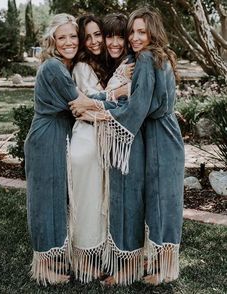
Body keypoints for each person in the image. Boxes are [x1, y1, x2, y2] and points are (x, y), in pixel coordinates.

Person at [71, 6, 184, 286]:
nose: (133, 37)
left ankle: (165, 268)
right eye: (131, 31)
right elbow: (138, 99)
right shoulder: (150, 57)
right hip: (156, 134)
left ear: (153, 32)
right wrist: (106, 100)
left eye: (140, 31)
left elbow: (136, 109)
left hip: (160, 137)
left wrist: (97, 111)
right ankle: (144, 264)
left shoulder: (146, 58)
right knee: (154, 203)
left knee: (161, 203)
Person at [24, 13, 111, 286]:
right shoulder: (53, 68)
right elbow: (79, 103)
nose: (69, 42)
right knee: (46, 202)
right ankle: (44, 268)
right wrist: (117, 100)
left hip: (60, 135)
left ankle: (66, 256)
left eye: (73, 36)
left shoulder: (65, 66)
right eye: (62, 37)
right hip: (47, 137)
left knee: (61, 202)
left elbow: (86, 102)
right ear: (52, 41)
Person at [68, 14, 133, 283]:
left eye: (99, 35)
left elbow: (97, 103)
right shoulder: (83, 67)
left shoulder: (109, 64)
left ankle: (101, 253)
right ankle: (82, 258)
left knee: (100, 201)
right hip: (87, 141)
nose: (96, 41)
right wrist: (117, 90)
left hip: (103, 139)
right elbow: (85, 105)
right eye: (89, 37)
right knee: (87, 200)